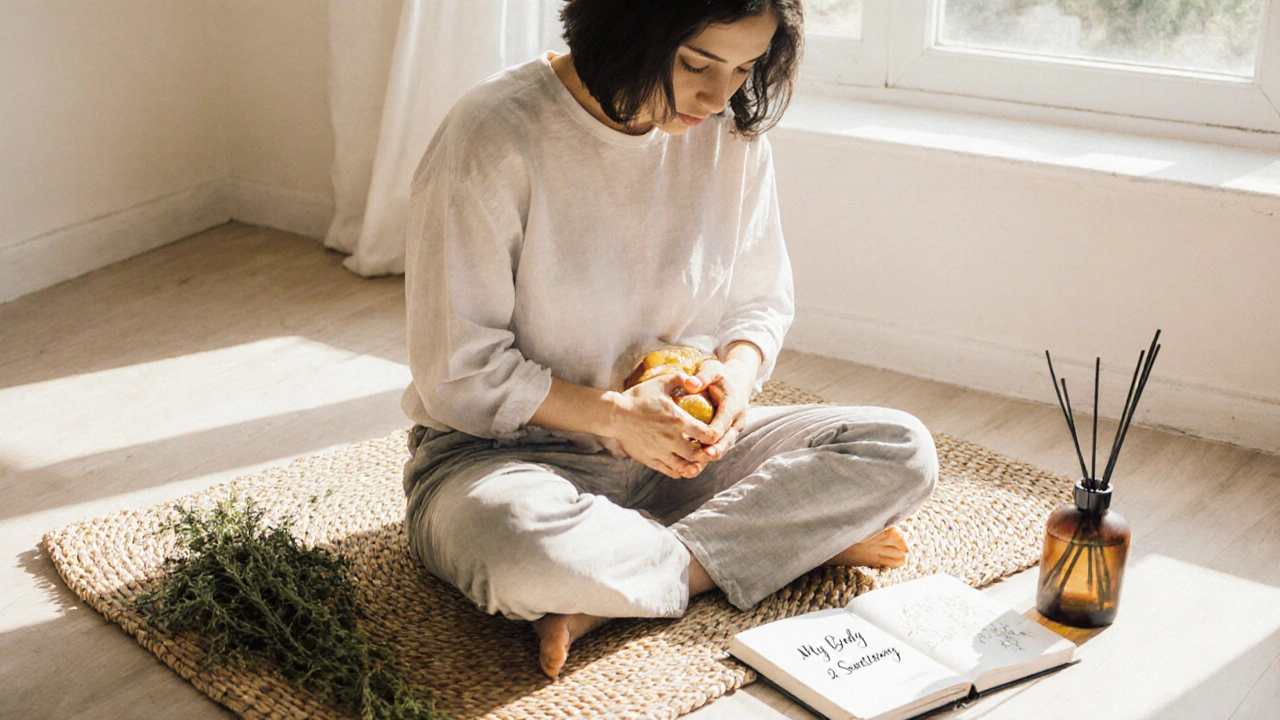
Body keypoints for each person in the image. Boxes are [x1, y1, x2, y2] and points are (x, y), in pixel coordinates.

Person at [401, 0, 938, 680]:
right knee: (515, 553)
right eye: (696, 64)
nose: (720, 97)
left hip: (681, 449)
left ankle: (621, 587)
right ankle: (769, 544)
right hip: (505, 460)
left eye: (746, 67)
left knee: (901, 449)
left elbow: (759, 301)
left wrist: (735, 383)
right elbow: (458, 372)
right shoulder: (492, 134)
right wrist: (617, 419)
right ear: (628, 24)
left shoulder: (729, 133)